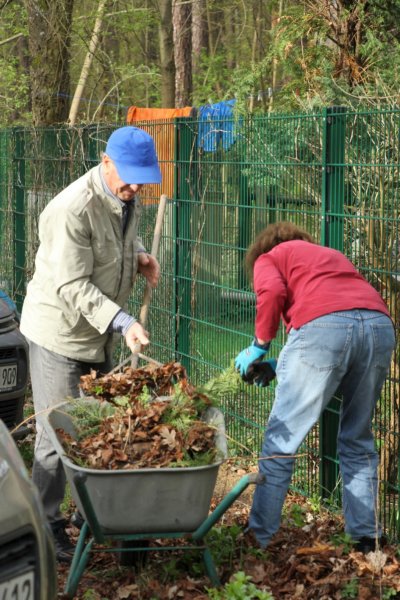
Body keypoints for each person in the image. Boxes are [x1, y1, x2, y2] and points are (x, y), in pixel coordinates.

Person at [20, 126, 162, 562]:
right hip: (58, 332)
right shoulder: (72, 209)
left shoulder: (126, 197)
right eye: (129, 177)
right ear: (105, 161)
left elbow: (116, 241)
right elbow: (73, 284)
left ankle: (88, 514)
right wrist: (123, 322)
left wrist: (138, 253)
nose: (135, 187)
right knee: (57, 433)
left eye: (142, 178)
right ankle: (44, 525)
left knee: (94, 427)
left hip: (95, 333)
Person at [234, 221, 395, 553]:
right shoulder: (330, 254)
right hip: (379, 326)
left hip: (324, 331)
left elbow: (275, 294)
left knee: (281, 440)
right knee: (358, 436)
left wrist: (260, 344)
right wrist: (283, 365)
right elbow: (345, 321)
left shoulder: (270, 257)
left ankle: (258, 539)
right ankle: (366, 538)